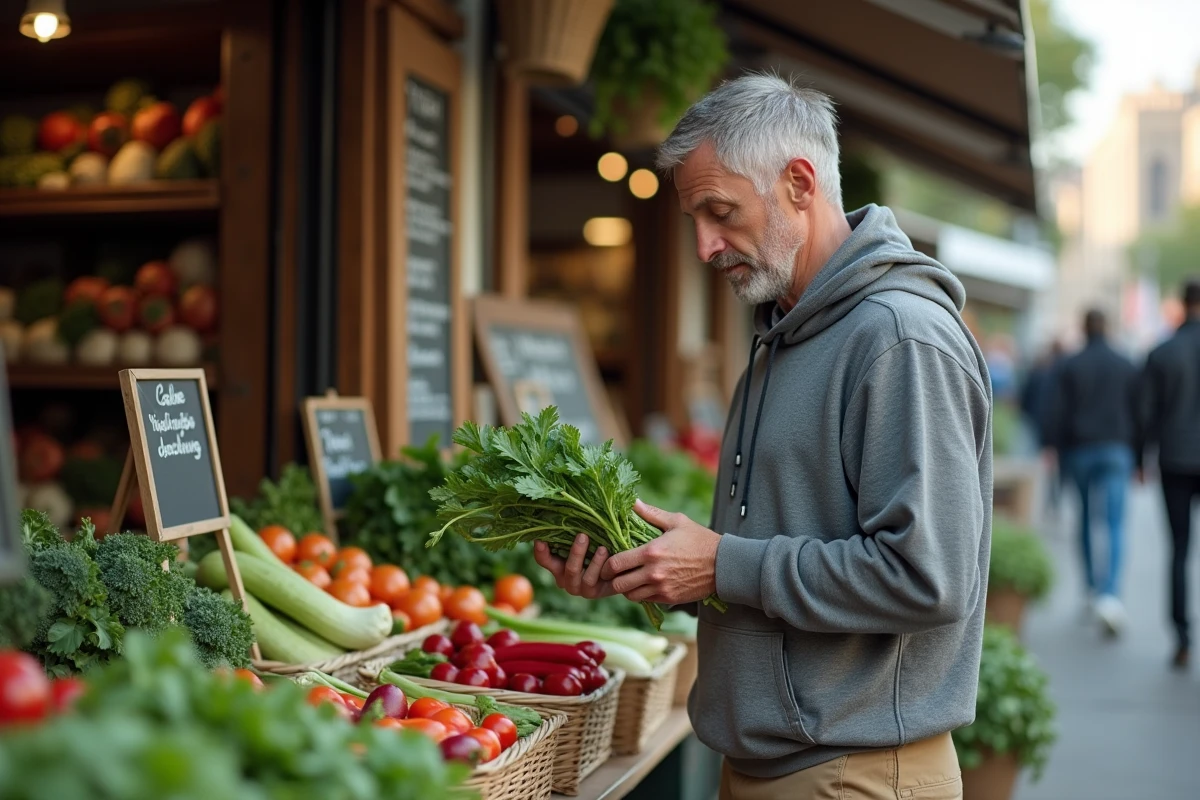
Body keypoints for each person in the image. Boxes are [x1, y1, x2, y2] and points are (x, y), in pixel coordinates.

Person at [534, 73, 991, 800]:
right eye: (694, 219)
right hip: (775, 764)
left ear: (800, 184)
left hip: (853, 774)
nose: (704, 246)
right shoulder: (781, 337)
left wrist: (720, 566)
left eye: (720, 212)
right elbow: (767, 570)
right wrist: (649, 570)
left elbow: (925, 577)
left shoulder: (900, 339)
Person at [1045, 309, 1138, 636]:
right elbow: (1137, 411)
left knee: (1085, 518)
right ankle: (1110, 595)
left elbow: (1056, 409)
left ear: (1084, 328)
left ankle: (1090, 588)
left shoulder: (1070, 364)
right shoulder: (1125, 363)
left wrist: (1051, 445)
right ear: (1108, 327)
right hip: (1116, 448)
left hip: (1080, 450)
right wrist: (1139, 457)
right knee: (1114, 523)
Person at [1136, 279, 1200, 670]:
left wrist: (1140, 459)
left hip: (1175, 459)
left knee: (1179, 549)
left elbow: (1146, 413)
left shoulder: (1161, 352)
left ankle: (1182, 637)